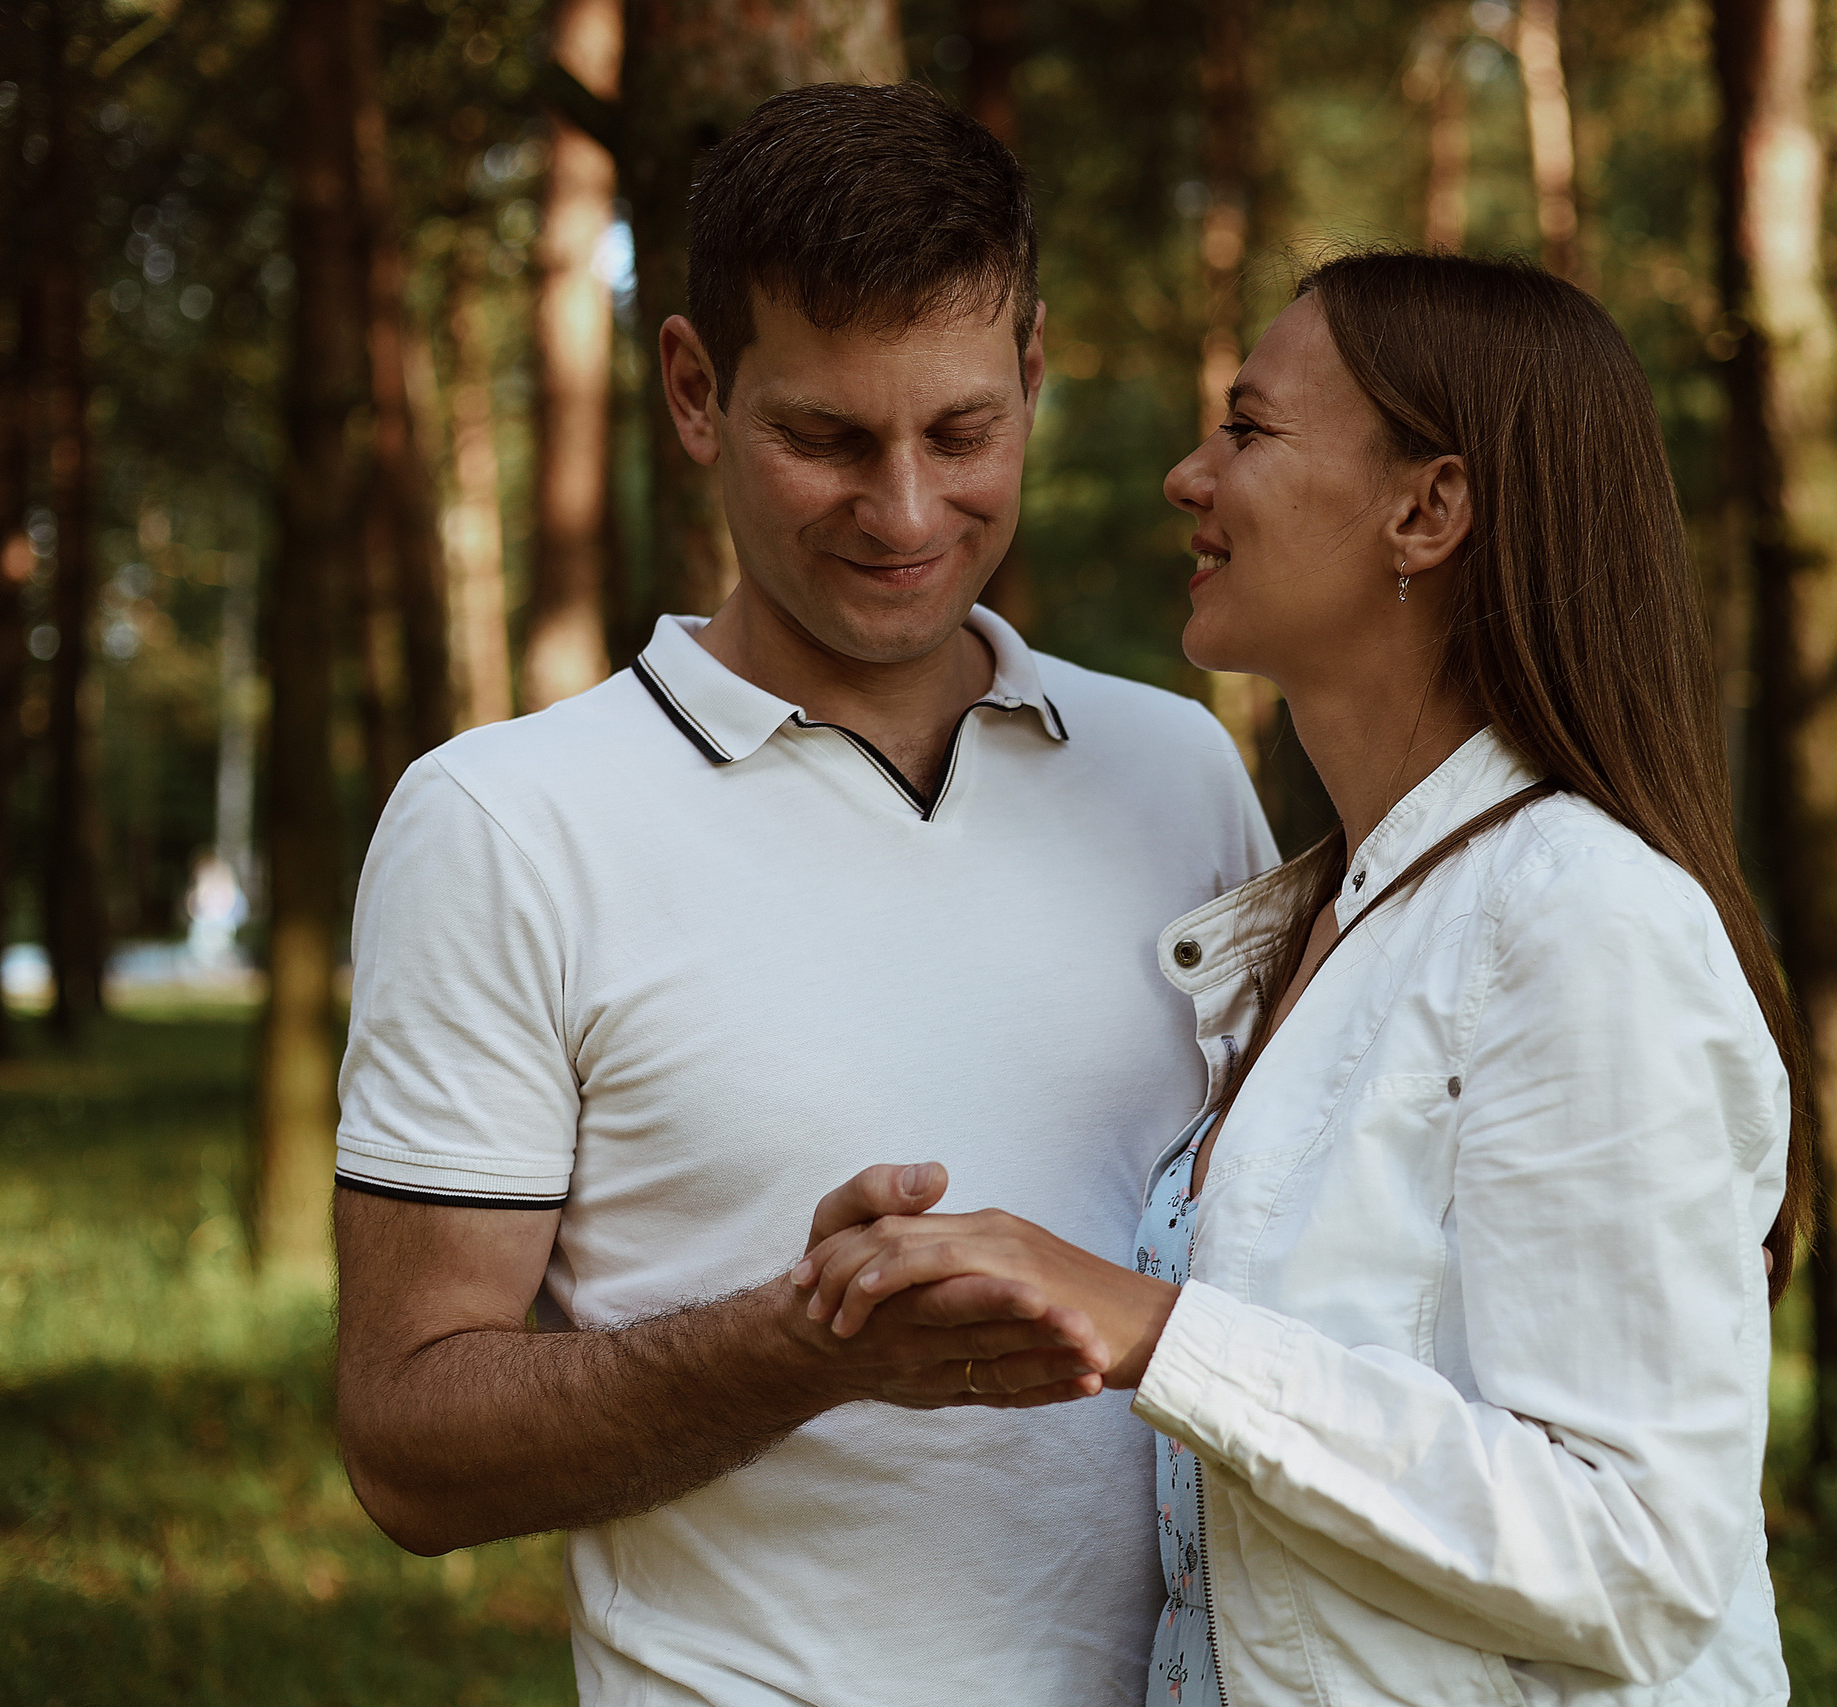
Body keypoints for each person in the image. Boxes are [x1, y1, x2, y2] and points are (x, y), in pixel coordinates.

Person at [329, 84, 1274, 1705]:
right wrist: (798, 1348)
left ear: (1036, 375)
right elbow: (412, 1448)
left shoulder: (1177, 770)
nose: (907, 515)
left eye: (963, 433)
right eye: (828, 439)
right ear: (696, 391)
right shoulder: (501, 821)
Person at [797, 252, 1813, 1705]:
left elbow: (1637, 1555)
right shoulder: (1324, 920)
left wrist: (1152, 1328)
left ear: (1429, 508)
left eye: (1249, 430)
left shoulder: (1581, 921)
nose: (1186, 476)